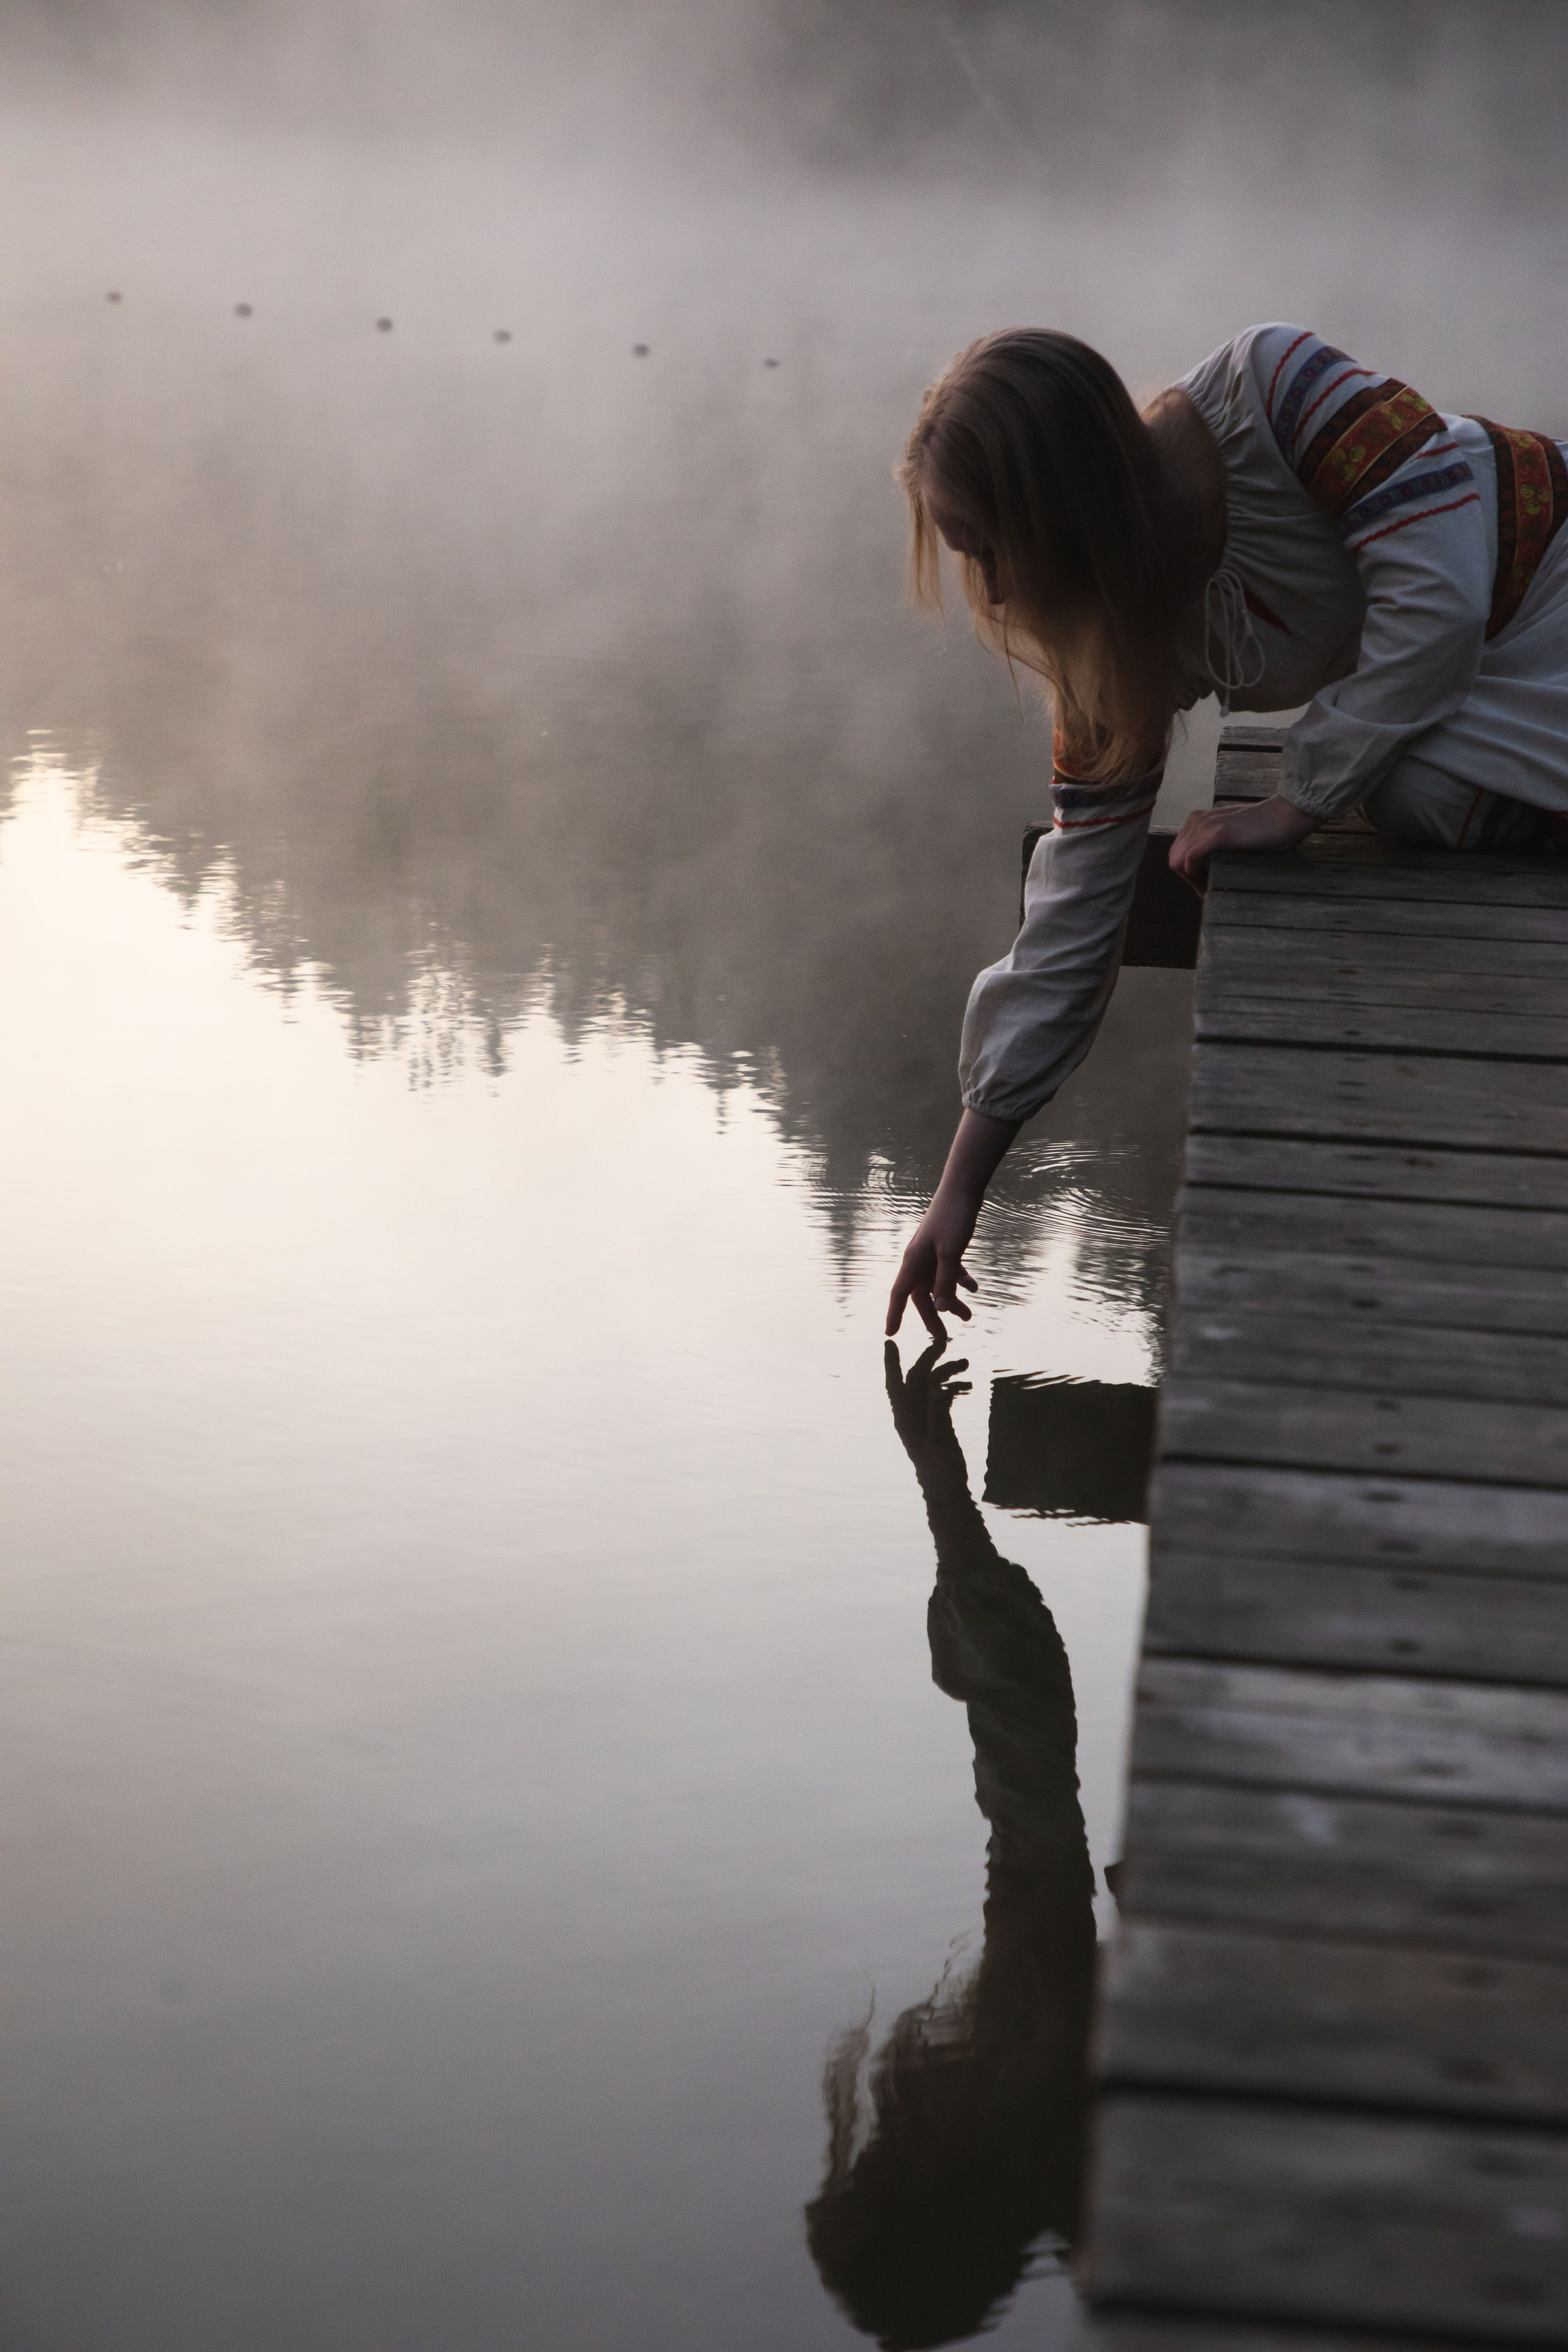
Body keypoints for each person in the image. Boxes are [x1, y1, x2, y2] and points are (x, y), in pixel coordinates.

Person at [885, 323, 1568, 1340]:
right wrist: (959, 1188)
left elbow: (1444, 591)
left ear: (1060, 507)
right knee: (1414, 786)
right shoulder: (1115, 632)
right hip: (1472, 695)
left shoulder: (1278, 389)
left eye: (991, 547)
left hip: (1546, 584)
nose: (993, 593)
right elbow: (1074, 912)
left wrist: (1296, 803)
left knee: (1411, 785)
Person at [804, 1343, 1098, 2348]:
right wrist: (947, 1510)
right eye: (892, 2145)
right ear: (941, 2177)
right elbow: (1031, 1791)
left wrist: (950, 1509)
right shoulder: (1058, 2058)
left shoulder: (1056, 2099)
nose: (897, 2094)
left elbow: (1030, 1807)